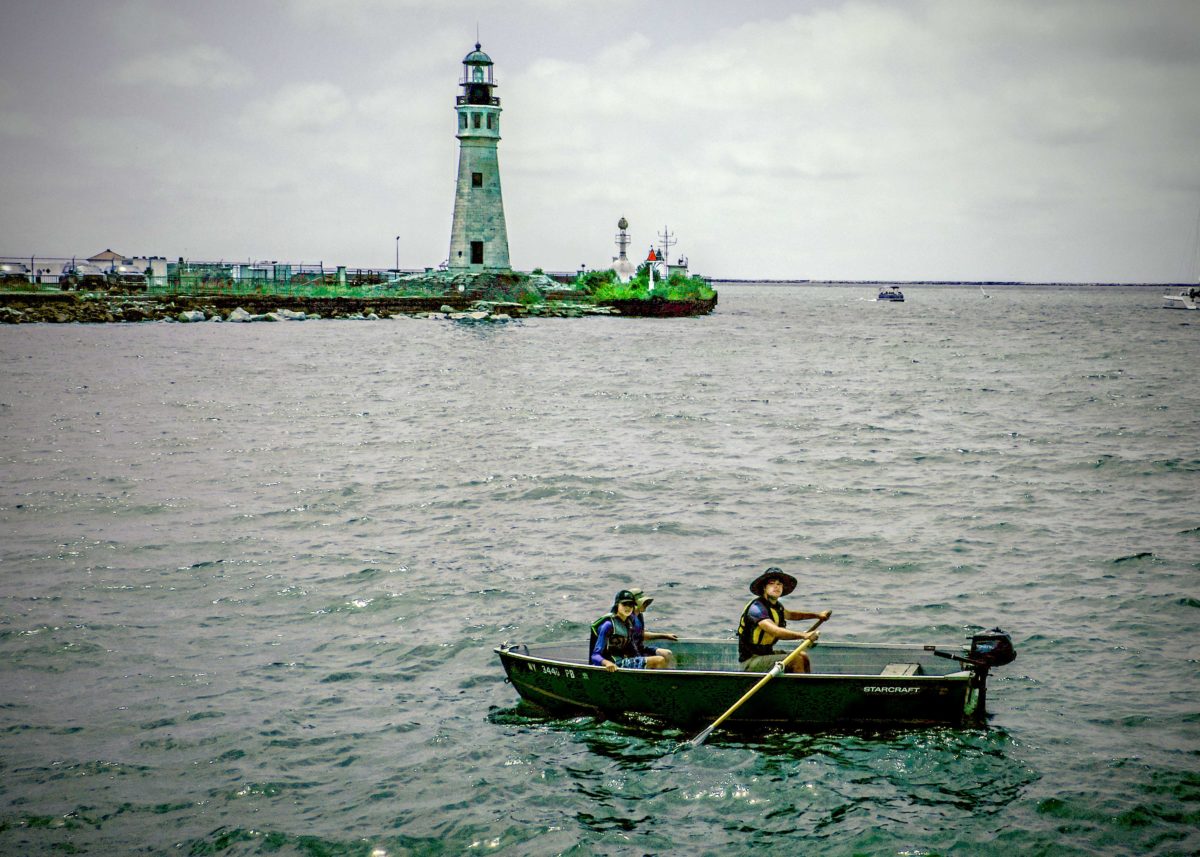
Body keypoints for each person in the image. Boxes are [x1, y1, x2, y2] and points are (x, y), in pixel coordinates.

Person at [737, 567, 832, 673]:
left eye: (779, 584)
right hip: (751, 661)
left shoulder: (777, 607)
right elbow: (775, 631)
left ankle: (806, 687)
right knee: (796, 660)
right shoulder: (757, 609)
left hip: (766, 655)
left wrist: (818, 615)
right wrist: (804, 635)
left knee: (803, 656)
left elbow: (792, 615)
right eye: (772, 583)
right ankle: (798, 689)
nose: (776, 587)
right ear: (764, 587)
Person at [590, 590, 672, 671]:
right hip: (613, 663)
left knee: (661, 657)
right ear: (617, 605)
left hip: (623, 661)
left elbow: (633, 650)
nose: (628, 607)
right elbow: (595, 655)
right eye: (624, 604)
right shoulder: (608, 625)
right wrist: (607, 663)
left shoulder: (629, 624)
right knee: (659, 660)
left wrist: (642, 658)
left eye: (631, 605)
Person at [628, 588, 678, 668]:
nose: (646, 605)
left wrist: (665, 636)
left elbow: (642, 634)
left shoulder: (639, 616)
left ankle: (671, 676)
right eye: (644, 603)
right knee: (659, 659)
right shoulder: (628, 618)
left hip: (641, 649)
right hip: (631, 654)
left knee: (667, 653)